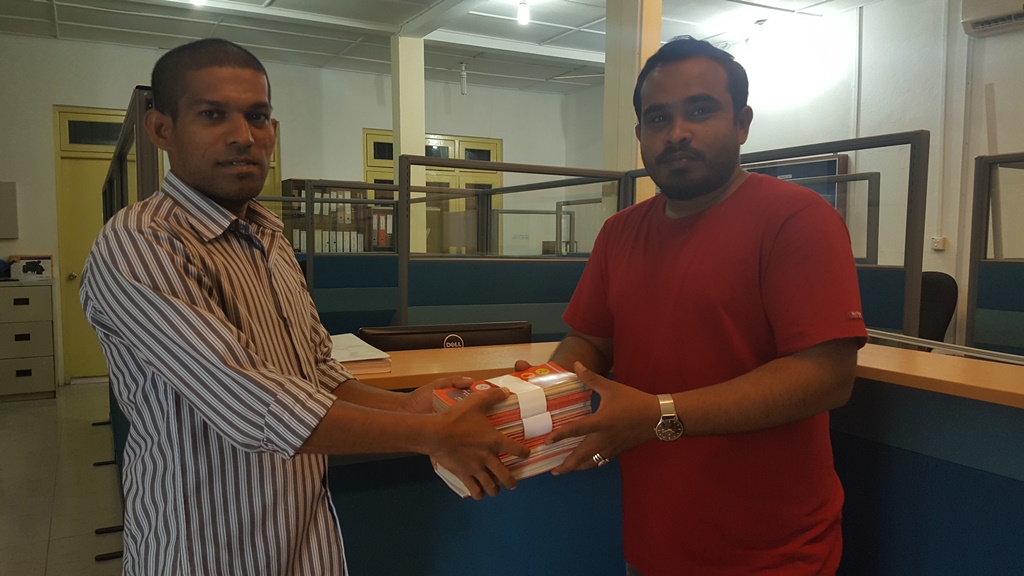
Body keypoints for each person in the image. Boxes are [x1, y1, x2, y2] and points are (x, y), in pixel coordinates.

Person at [79, 38, 529, 576]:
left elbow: (316, 373)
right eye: (212, 115)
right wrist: (430, 435)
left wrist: (407, 407)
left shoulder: (268, 235)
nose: (243, 135)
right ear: (161, 130)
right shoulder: (140, 243)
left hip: (303, 540)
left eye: (258, 116)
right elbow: (250, 402)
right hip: (205, 547)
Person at [529, 37, 868, 575]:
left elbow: (827, 376)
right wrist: (528, 398)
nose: (677, 132)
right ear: (641, 135)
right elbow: (590, 341)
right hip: (652, 544)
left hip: (772, 556)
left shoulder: (797, 218)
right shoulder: (620, 233)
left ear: (742, 123)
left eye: (701, 110)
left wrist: (660, 415)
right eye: (658, 118)